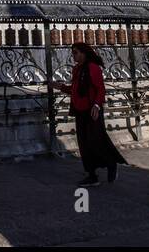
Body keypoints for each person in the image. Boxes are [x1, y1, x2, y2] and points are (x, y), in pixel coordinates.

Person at [52, 42, 127, 186]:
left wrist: (97, 105)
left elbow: (100, 89)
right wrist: (60, 87)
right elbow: (74, 89)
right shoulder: (77, 69)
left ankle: (111, 163)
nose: (74, 55)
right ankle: (91, 174)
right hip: (79, 109)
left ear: (84, 53)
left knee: (96, 140)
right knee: (84, 143)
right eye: (73, 52)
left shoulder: (93, 68)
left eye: (76, 52)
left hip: (92, 110)